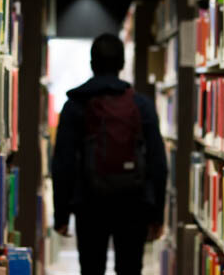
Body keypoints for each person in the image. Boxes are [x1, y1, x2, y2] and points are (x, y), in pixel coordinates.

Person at [52, 33, 168, 275]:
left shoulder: (75, 105)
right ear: (122, 64)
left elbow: (63, 163)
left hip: (89, 203)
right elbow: (158, 161)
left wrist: (61, 213)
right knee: (129, 268)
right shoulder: (141, 105)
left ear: (92, 63)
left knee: (92, 268)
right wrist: (157, 214)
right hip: (133, 202)